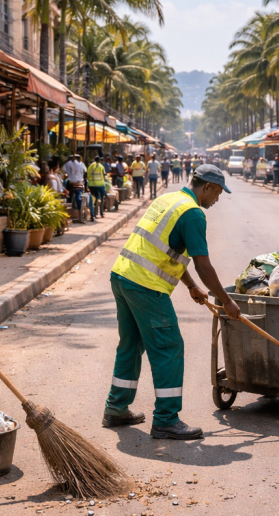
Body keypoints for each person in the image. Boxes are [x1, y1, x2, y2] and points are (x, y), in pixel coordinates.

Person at [103, 165, 242, 440]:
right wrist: (226, 301)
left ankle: (116, 407)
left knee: (131, 343)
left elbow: (168, 252)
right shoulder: (193, 214)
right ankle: (166, 419)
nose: (217, 199)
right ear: (206, 187)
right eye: (217, 193)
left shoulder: (168, 199)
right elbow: (203, 264)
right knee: (170, 348)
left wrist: (191, 286)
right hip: (145, 286)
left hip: (122, 276)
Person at [63, 154, 86, 223]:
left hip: (73, 184)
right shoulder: (81, 164)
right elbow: (85, 172)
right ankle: (78, 213)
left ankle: (69, 212)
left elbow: (63, 171)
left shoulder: (68, 164)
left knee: (69, 196)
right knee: (78, 198)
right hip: (79, 184)